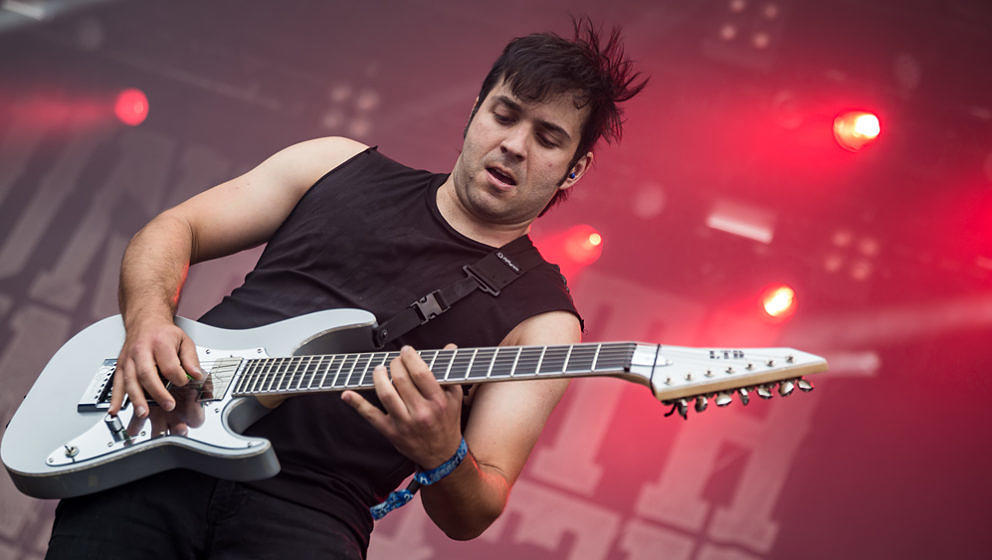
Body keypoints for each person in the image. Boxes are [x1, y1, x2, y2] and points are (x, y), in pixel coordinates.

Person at [46, 17, 645, 560]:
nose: (514, 144)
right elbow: (174, 229)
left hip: (308, 517)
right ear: (474, 110)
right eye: (505, 115)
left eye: (548, 137)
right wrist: (150, 321)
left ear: (576, 167)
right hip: (155, 452)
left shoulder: (544, 322)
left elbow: (474, 512)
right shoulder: (334, 165)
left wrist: (444, 454)